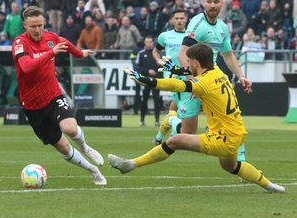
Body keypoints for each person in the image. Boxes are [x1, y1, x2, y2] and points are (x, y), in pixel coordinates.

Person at [109, 42, 285, 193]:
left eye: (188, 62)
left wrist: (149, 81)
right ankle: (270, 186)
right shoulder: (217, 71)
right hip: (236, 133)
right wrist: (178, 69)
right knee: (230, 166)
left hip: (223, 137)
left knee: (174, 140)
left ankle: (129, 165)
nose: (188, 66)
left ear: (195, 62)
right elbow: (195, 76)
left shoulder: (203, 83)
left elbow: (176, 84)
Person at [11, 6, 106, 185]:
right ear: (25, 25)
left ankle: (85, 147)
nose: (38, 30)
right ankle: (93, 170)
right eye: (33, 26)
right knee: (63, 147)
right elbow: (27, 67)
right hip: (33, 106)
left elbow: (65, 43)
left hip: (54, 96)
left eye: (40, 25)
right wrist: (51, 53)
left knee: (70, 128)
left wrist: (80, 54)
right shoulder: (19, 43)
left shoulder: (51, 38)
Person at [174, 0, 253, 182]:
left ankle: (241, 162)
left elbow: (228, 54)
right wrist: (193, 83)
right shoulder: (198, 24)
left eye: (216, 2)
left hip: (213, 82)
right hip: (194, 80)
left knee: (231, 121)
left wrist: (240, 76)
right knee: (188, 134)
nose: (212, 5)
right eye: (209, 1)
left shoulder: (223, 28)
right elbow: (182, 54)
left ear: (222, 4)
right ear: (203, 3)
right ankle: (170, 121)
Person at [152, 8, 201, 146]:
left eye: (182, 18)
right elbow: (156, 51)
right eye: (177, 18)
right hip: (173, 76)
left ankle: (161, 136)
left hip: (189, 74)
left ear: (186, 20)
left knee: (174, 108)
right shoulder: (165, 36)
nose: (179, 21)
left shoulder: (192, 36)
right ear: (172, 20)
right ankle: (172, 134)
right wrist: (158, 59)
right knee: (181, 108)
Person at [136, 36, 163, 126]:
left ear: (153, 43)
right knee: (144, 100)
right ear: (144, 42)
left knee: (156, 100)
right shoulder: (141, 53)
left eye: (150, 42)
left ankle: (157, 120)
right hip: (145, 80)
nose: (148, 43)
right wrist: (148, 71)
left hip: (156, 80)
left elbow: (162, 65)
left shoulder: (157, 53)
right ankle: (142, 119)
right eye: (147, 42)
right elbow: (138, 67)